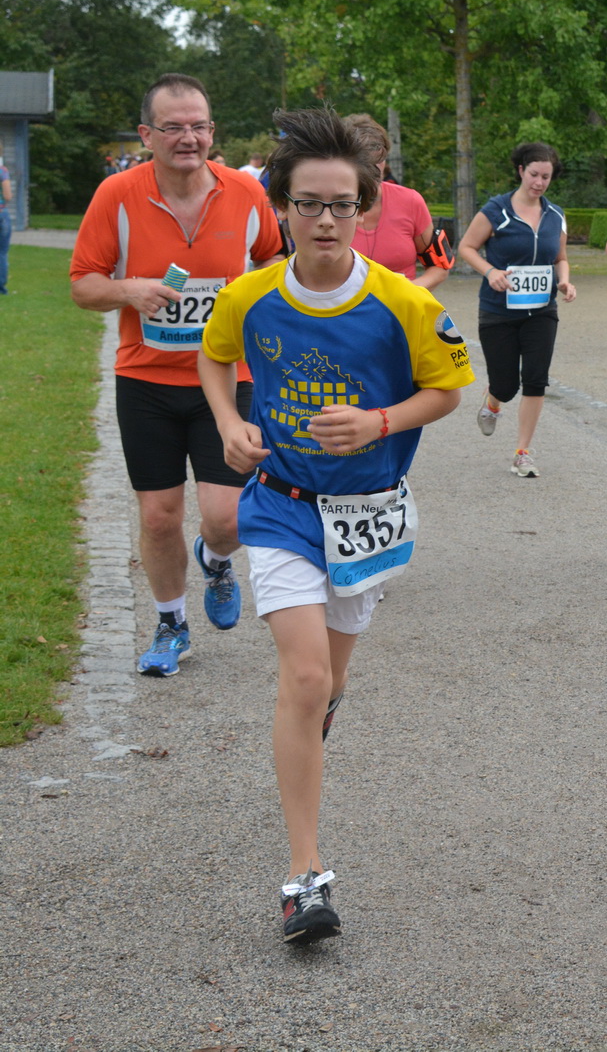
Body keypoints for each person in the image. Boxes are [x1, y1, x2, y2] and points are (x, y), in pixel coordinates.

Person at [198, 108, 472, 945]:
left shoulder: (400, 303)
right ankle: (305, 876)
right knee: (307, 678)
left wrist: (380, 423)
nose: (324, 220)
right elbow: (213, 355)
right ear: (280, 206)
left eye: (341, 205)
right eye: (308, 204)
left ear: (365, 208)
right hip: (279, 505)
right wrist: (228, 423)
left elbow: (448, 392)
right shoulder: (251, 295)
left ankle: (310, 719)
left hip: (368, 515)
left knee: (329, 685)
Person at [71, 73, 284, 676]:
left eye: (199, 126)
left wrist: (251, 294)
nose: (188, 137)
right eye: (173, 127)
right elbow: (83, 284)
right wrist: (128, 289)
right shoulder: (116, 194)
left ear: (212, 131)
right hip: (147, 381)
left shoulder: (245, 191)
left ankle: (216, 563)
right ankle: (171, 624)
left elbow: (273, 257)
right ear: (147, 134)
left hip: (227, 377)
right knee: (159, 515)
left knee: (227, 518)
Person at [457, 141, 575, 477]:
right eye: (534, 174)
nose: (539, 182)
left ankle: (523, 452)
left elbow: (560, 258)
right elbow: (466, 246)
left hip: (541, 310)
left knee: (536, 380)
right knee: (506, 386)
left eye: (546, 177)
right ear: (521, 171)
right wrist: (490, 272)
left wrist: (565, 281)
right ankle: (493, 402)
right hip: (498, 311)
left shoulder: (556, 215)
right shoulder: (496, 210)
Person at [344, 115, 452, 290]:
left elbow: (439, 266)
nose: (373, 169)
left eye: (378, 160)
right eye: (364, 161)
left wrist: (408, 293)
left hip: (400, 312)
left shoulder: (410, 201)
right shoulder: (326, 207)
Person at [0, 154, 12, 296]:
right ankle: (1, 288)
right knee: (2, 252)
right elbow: (8, 195)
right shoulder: (2, 171)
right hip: (1, 214)